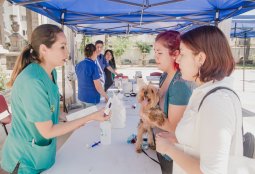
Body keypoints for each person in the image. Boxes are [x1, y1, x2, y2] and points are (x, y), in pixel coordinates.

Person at [1, 24, 109, 174]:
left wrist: (74, 117)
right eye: (62, 47)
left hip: (42, 156)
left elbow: (51, 110)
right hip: (25, 160)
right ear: (44, 50)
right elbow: (48, 130)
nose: (67, 52)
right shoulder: (32, 82)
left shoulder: (51, 74)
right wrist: (89, 117)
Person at [156, 26, 243, 174]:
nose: (177, 59)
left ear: (200, 58)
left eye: (182, 54)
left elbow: (211, 171)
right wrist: (177, 140)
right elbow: (201, 143)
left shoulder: (217, 102)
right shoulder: (204, 93)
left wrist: (169, 149)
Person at [140, 30, 194, 174]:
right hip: (161, 146)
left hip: (173, 156)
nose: (155, 57)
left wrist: (146, 115)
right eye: (155, 52)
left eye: (160, 52)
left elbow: (174, 128)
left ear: (175, 54)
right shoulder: (164, 76)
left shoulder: (179, 84)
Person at [76, 44, 109, 108]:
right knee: (91, 117)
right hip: (91, 99)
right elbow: (98, 87)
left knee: (85, 115)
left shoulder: (78, 65)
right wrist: (106, 96)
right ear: (94, 52)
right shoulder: (93, 66)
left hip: (81, 97)